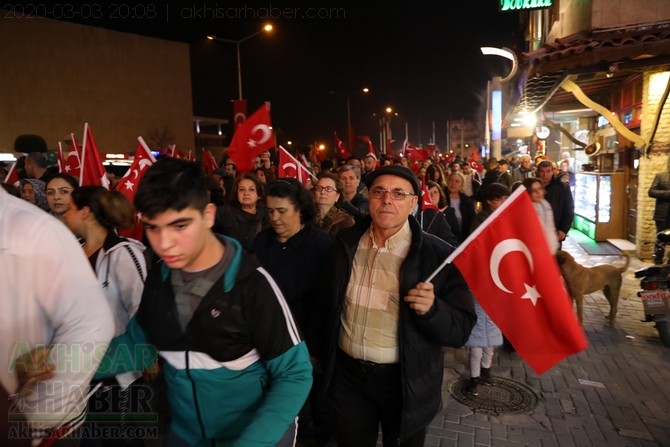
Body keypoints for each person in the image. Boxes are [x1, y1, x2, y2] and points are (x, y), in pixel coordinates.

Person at [99, 158, 313, 446]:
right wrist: (60, 364)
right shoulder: (159, 279)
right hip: (184, 436)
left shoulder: (252, 286)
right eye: (153, 227)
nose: (164, 243)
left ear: (209, 215)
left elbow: (294, 374)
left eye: (180, 225)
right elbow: (139, 346)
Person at [312, 165, 476, 447]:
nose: (387, 200)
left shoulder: (437, 257)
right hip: (348, 377)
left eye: (399, 193)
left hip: (404, 383)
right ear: (369, 197)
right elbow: (325, 305)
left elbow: (461, 329)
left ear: (414, 202)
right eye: (379, 191)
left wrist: (433, 309)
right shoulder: (344, 245)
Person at [0, 186, 114, 445]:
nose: (57, 200)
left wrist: (36, 423)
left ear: (86, 212)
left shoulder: (37, 232)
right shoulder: (73, 243)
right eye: (51, 192)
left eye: (66, 196)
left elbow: (93, 323)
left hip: (44, 416)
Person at [62, 186, 148, 446]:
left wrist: (144, 355)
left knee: (120, 439)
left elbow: (141, 307)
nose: (65, 214)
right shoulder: (72, 252)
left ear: (86, 212)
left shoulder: (122, 252)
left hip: (117, 369)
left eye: (70, 208)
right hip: (79, 369)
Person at [212, 172, 269, 251]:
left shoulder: (268, 216)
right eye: (242, 190)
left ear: (258, 195)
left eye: (251, 189)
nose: (246, 193)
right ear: (237, 193)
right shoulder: (225, 212)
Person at [536, 160, 574, 244]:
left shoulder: (562, 187)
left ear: (553, 171)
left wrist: (563, 229)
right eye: (542, 171)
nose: (545, 175)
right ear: (538, 172)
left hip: (555, 231)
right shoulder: (533, 187)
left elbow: (568, 209)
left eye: (548, 171)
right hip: (536, 231)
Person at [523, 177, 559, 254]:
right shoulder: (525, 211)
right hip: (535, 254)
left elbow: (550, 228)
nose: (538, 192)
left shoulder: (546, 205)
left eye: (540, 189)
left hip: (549, 251)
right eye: (533, 191)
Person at [313, 172, 355, 237]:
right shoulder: (305, 217)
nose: (323, 192)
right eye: (319, 188)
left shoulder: (345, 222)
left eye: (328, 189)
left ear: (337, 196)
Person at [444, 172, 477, 244]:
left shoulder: (467, 201)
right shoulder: (441, 198)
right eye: (451, 180)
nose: (453, 183)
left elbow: (473, 220)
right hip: (444, 238)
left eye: (457, 181)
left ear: (461, 185)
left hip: (462, 239)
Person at [648, 171, 670, 264]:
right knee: (661, 239)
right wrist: (668, 193)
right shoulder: (661, 176)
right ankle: (657, 263)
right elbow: (651, 192)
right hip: (663, 214)